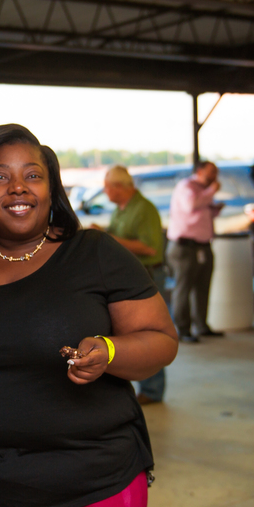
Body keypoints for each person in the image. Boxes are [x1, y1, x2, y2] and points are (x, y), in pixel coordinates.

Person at [0, 124, 178, 507]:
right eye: (0, 176)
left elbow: (161, 340)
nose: (18, 187)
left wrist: (110, 352)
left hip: (85, 492)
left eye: (33, 175)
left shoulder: (94, 253)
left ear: (51, 188)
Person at [94, 164, 168, 404]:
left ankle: (153, 390)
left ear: (118, 187)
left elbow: (150, 247)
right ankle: (138, 385)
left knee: (149, 336)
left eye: (106, 187)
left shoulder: (144, 209)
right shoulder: (120, 209)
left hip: (147, 277)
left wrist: (108, 238)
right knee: (129, 336)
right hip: (127, 279)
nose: (105, 192)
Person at [166, 161, 224, 343]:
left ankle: (202, 325)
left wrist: (214, 209)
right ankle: (183, 329)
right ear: (199, 171)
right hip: (185, 247)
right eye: (210, 173)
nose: (214, 177)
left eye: (216, 173)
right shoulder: (187, 186)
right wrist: (212, 191)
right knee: (184, 288)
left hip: (203, 246)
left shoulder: (203, 190)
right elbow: (191, 205)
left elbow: (199, 213)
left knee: (203, 286)